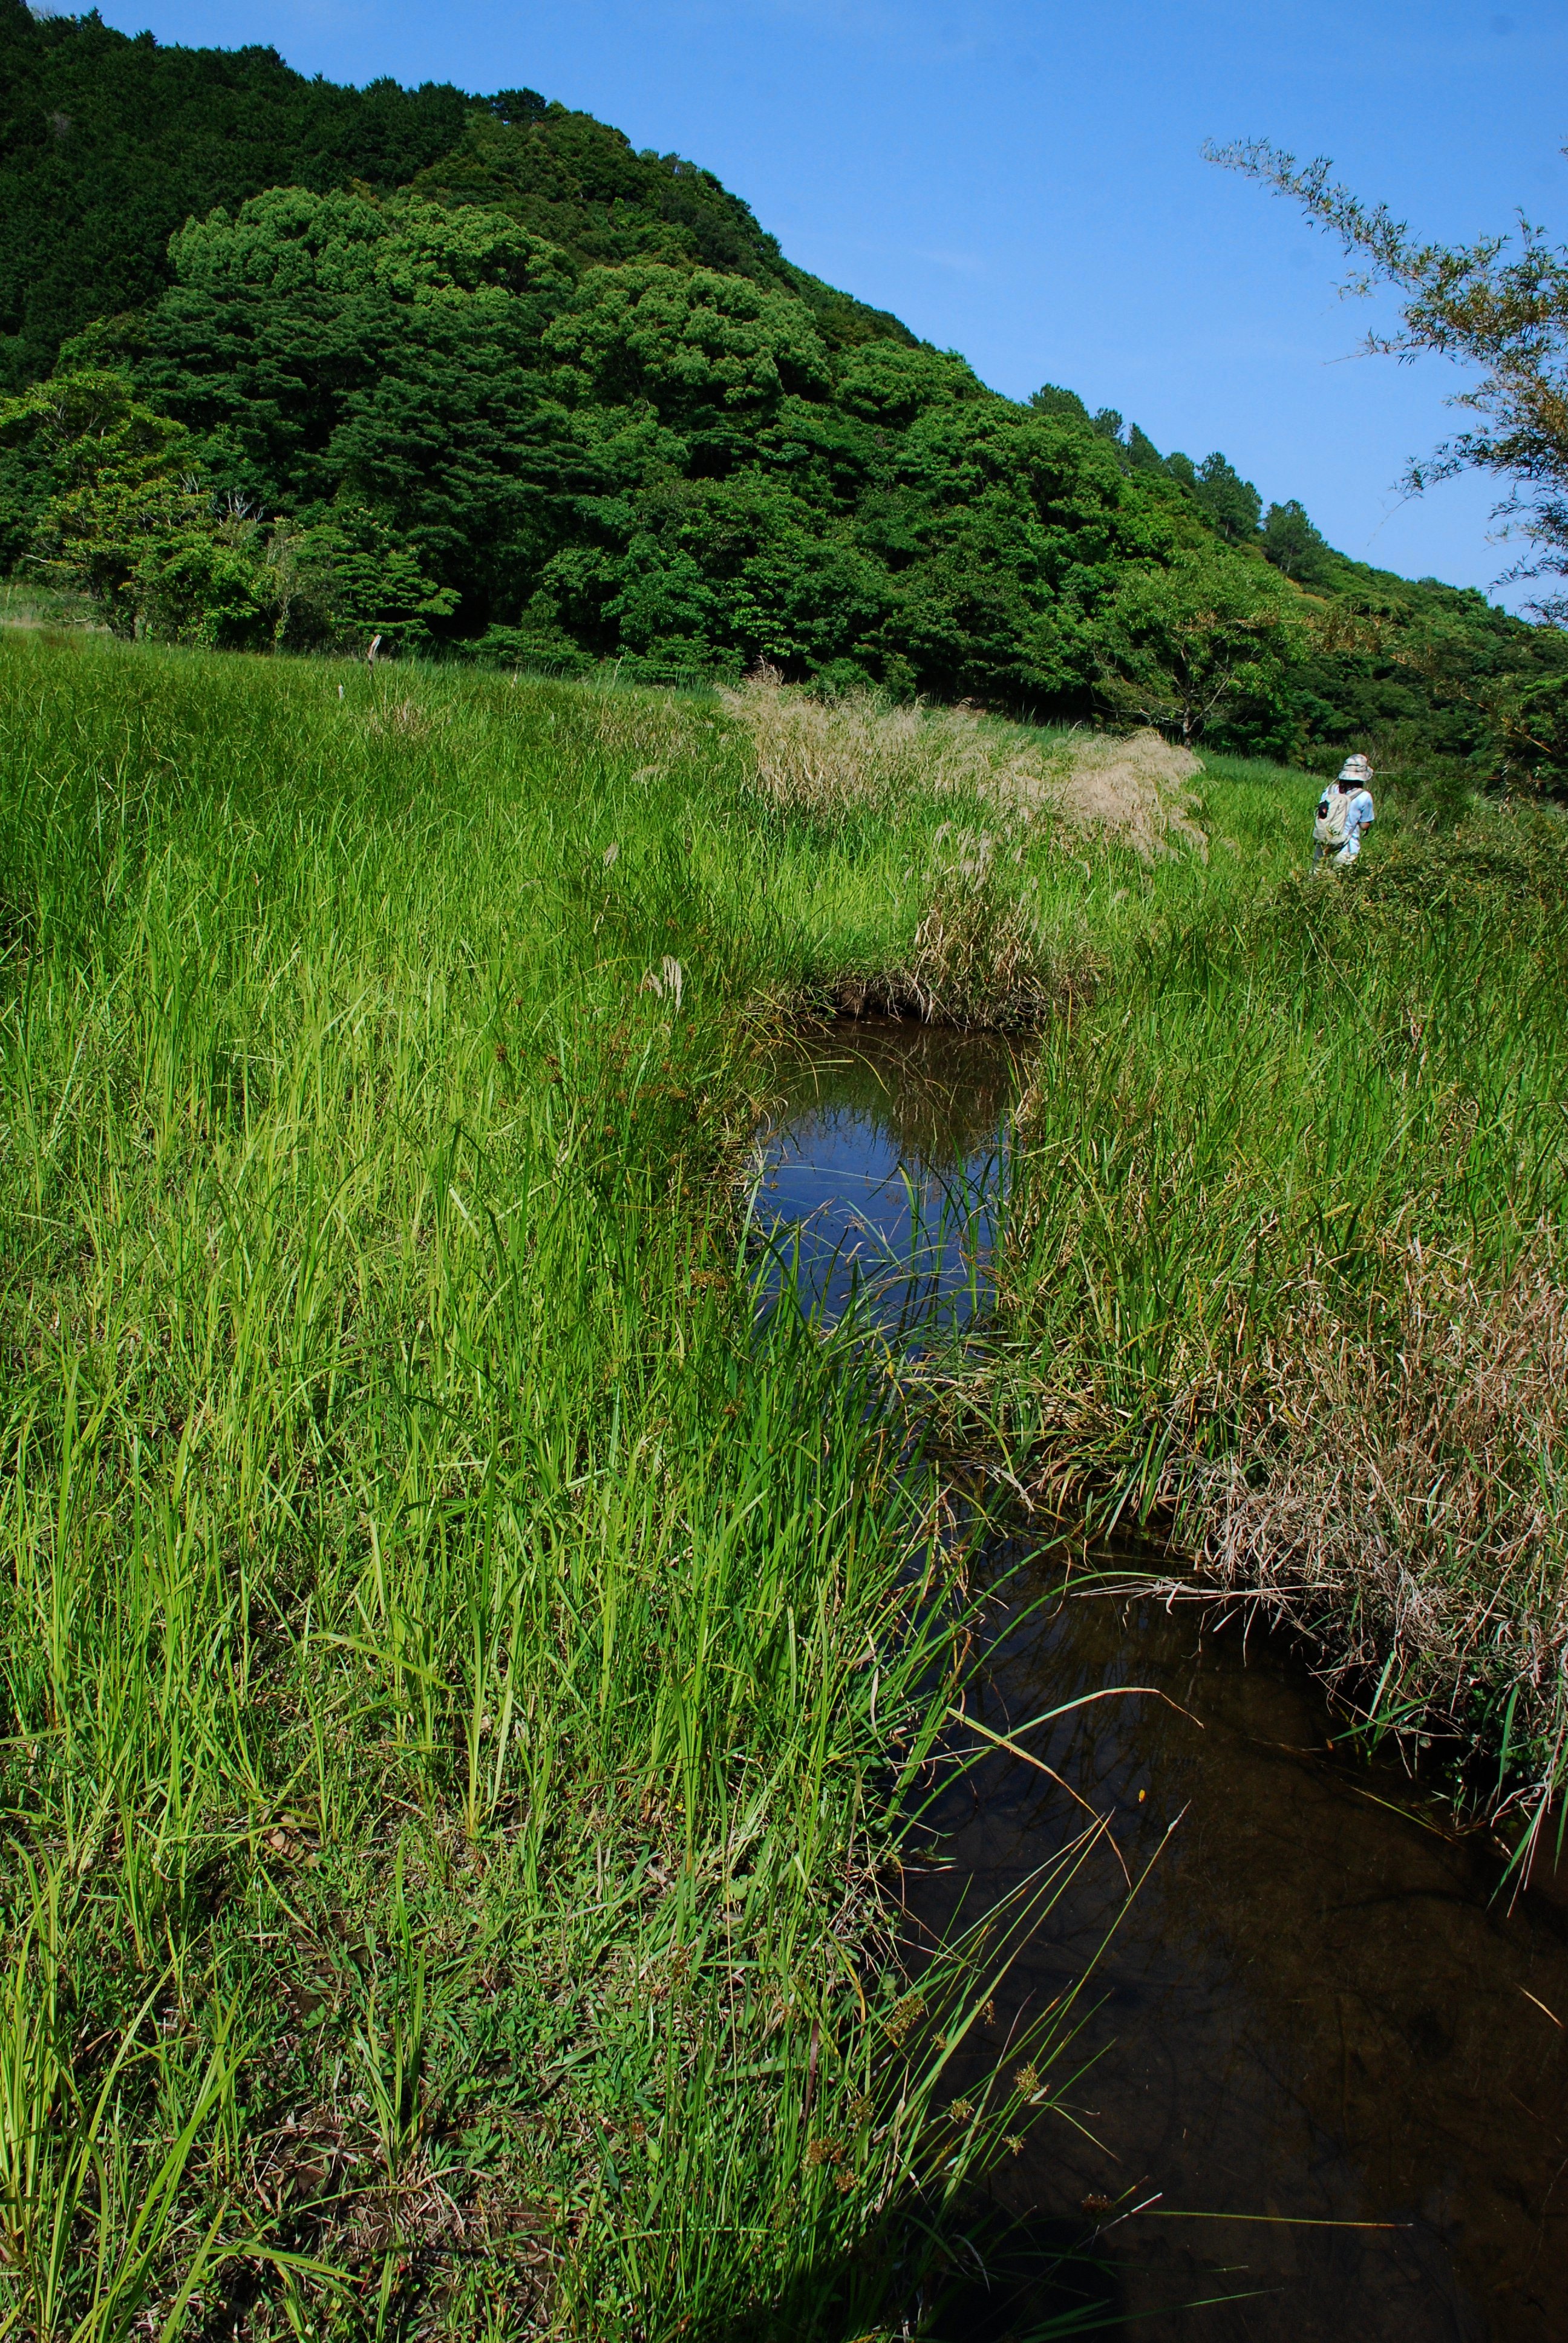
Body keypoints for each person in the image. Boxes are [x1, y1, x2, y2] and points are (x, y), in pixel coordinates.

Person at [1312, 753, 1374, 867]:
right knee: (1340, 878)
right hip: (1347, 848)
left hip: (1323, 844)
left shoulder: (1329, 790)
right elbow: (1364, 826)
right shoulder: (1364, 796)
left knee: (1318, 875)